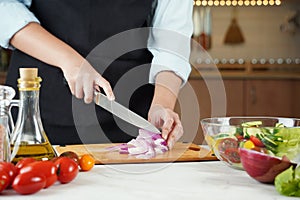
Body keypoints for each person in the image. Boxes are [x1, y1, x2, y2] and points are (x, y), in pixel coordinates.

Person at [0, 0, 193, 149]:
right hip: (42, 106)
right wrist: (69, 60)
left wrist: (162, 104)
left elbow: (171, 42)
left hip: (129, 113)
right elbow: (5, 8)